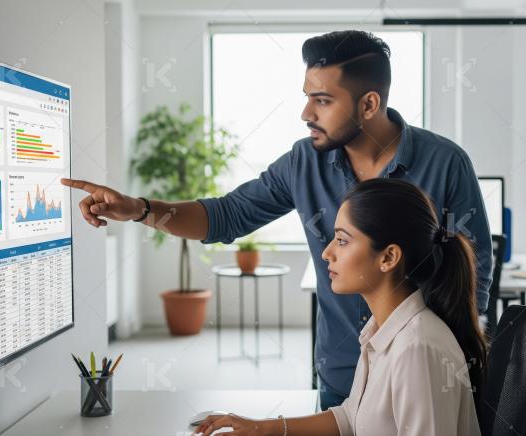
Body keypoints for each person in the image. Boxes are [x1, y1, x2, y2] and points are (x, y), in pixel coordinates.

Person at [61, 29, 492, 410]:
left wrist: (437, 362)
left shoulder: (445, 162)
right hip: (343, 378)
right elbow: (226, 216)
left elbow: (475, 274)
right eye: (308, 96)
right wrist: (139, 209)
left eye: (322, 100)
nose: (307, 113)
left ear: (369, 104)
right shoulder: (304, 162)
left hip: (424, 376)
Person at [195, 178, 486, 435]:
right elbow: (351, 419)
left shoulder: (416, 349)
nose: (327, 253)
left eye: (343, 241)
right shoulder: (381, 329)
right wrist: (262, 428)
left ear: (388, 258)